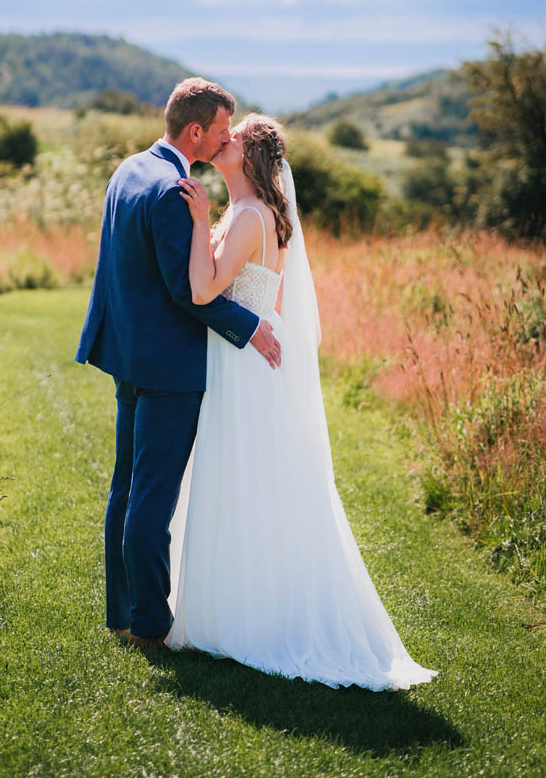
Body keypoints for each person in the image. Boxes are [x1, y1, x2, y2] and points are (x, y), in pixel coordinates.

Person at [165, 113, 437, 689]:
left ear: (253, 159)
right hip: (255, 356)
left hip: (245, 363)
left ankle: (247, 617)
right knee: (252, 480)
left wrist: (197, 222)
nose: (223, 139)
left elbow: (203, 288)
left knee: (241, 478)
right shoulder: (258, 217)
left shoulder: (247, 217)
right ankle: (243, 602)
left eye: (233, 137)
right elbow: (266, 295)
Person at [75, 80, 283, 648]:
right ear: (196, 131)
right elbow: (185, 291)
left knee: (125, 489)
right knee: (151, 499)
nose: (223, 141)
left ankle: (122, 612)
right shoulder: (173, 189)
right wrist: (249, 327)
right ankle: (150, 625)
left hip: (128, 357)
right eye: (220, 131)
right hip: (168, 369)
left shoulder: (129, 169)